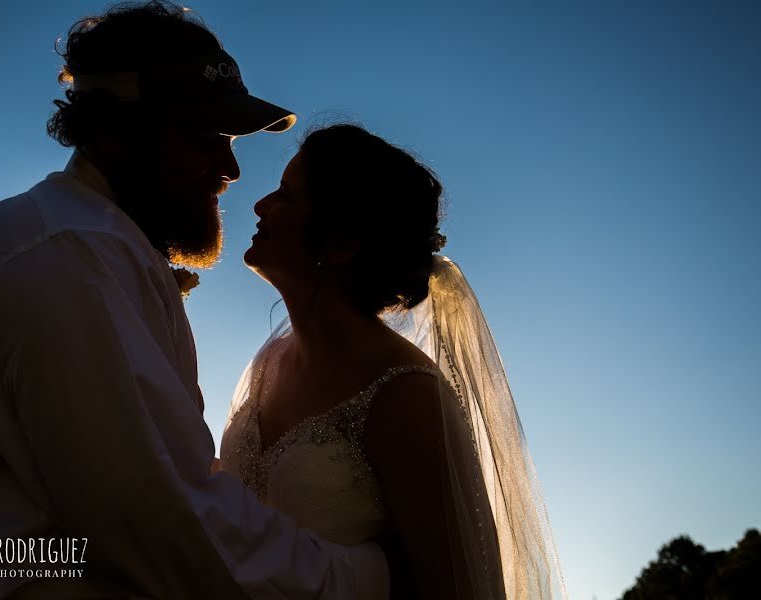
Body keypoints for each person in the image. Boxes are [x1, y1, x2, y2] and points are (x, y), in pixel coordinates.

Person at [0, 4, 388, 598]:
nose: (229, 168)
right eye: (204, 139)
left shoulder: (94, 243)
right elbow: (161, 518)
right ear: (114, 134)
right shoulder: (71, 252)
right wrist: (367, 577)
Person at [220, 124, 569, 599]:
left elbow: (452, 585)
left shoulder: (404, 393)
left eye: (285, 195)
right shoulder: (266, 364)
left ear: (341, 243)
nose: (261, 206)